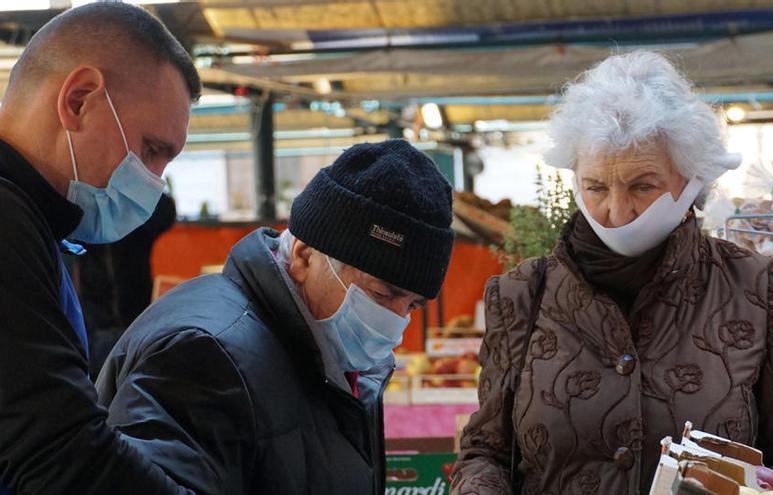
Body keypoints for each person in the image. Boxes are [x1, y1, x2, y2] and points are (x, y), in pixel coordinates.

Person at [451, 51, 773, 495]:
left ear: (692, 179)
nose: (617, 211)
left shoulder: (757, 289)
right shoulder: (522, 295)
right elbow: (485, 453)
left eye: (643, 185)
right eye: (596, 187)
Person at [95, 140, 455, 494]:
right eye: (382, 294)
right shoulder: (205, 355)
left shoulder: (327, 352)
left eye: (413, 305)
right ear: (303, 256)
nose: (395, 323)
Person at [0, 3, 202, 494]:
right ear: (79, 100)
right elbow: (58, 458)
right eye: (152, 150)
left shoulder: (35, 223)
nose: (153, 184)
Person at [79, 193, 176, 379]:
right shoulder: (84, 216)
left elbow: (165, 213)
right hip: (94, 325)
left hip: (136, 321)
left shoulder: (135, 216)